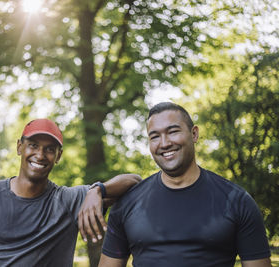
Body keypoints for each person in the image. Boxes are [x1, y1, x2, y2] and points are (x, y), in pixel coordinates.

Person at [99, 102, 272, 267]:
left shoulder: (237, 201)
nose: (165, 143)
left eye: (173, 131)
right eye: (155, 136)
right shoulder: (127, 204)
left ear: (194, 134)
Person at [0, 118, 141, 267]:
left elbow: (134, 182)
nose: (40, 155)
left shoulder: (68, 200)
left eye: (50, 149)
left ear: (58, 156)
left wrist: (98, 189)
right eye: (33, 145)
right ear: (20, 147)